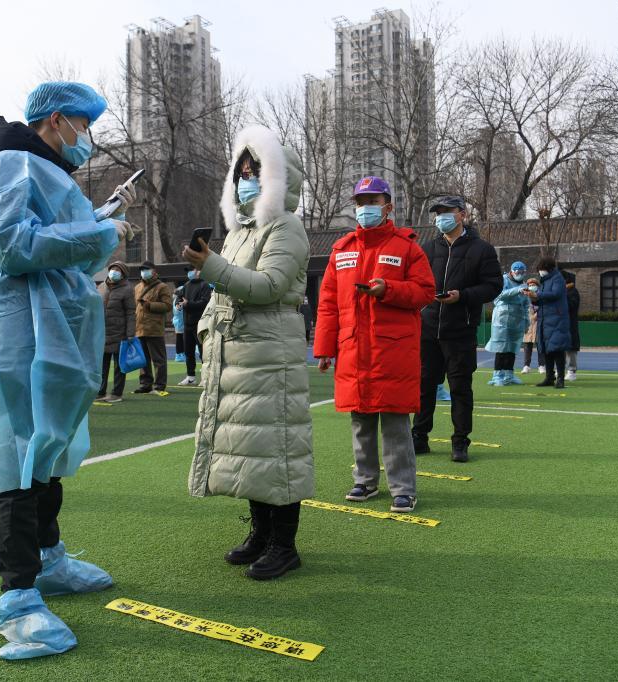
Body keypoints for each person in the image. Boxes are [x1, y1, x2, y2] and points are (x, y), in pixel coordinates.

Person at [0, 81, 136, 661]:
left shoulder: (47, 171)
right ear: (56, 119)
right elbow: (12, 243)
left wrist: (100, 218)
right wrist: (101, 232)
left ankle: (48, 560)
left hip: (51, 325)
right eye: (85, 125)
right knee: (19, 461)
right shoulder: (10, 163)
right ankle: (18, 600)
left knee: (47, 451)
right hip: (18, 330)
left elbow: (53, 235)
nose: (88, 138)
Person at [184, 125, 313, 580]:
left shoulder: (287, 226)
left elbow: (269, 286)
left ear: (278, 177)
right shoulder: (240, 231)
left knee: (278, 448)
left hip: (270, 351)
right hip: (240, 351)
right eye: (240, 173)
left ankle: (284, 545)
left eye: (255, 172)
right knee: (251, 448)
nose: (245, 181)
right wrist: (206, 330)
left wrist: (211, 266)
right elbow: (223, 290)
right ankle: (260, 534)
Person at [315, 176, 436, 512]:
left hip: (393, 351)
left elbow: (425, 291)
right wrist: (325, 348)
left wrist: (389, 290)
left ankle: (403, 488)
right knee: (361, 420)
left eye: (373, 201)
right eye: (360, 202)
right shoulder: (341, 250)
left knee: (396, 422)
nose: (365, 208)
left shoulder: (407, 247)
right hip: (354, 350)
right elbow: (328, 303)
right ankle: (365, 480)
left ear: (388, 206)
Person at [412, 196, 502, 462]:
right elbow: (417, 283)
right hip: (428, 329)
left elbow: (493, 286)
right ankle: (419, 436)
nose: (441, 217)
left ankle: (460, 442)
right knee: (424, 385)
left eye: (446, 211)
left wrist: (462, 296)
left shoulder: (482, 249)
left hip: (461, 330)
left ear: (462, 214)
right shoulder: (427, 248)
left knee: (460, 388)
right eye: (438, 213)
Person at [524, 256, 571, 389]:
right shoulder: (545, 280)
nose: (540, 272)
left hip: (557, 318)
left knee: (557, 349)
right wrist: (533, 298)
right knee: (546, 349)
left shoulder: (557, 278)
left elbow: (555, 294)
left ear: (548, 268)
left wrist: (537, 295)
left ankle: (560, 378)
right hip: (545, 319)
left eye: (541, 269)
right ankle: (549, 377)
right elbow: (542, 300)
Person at [485, 261, 530, 386]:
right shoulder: (503, 280)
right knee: (501, 347)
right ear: (512, 271)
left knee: (513, 347)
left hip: (517, 319)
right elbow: (499, 295)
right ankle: (497, 375)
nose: (520, 274)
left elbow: (526, 304)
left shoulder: (523, 284)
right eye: (518, 272)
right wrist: (517, 290)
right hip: (502, 318)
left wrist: (527, 322)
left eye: (522, 272)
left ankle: (509, 374)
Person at [97, 261, 135, 402]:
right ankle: (100, 392)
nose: (114, 272)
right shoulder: (102, 287)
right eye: (112, 269)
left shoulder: (127, 289)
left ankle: (117, 393)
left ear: (123, 274)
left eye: (117, 270)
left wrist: (130, 333)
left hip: (120, 333)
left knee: (119, 366)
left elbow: (131, 313)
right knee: (102, 365)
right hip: (103, 333)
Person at [133, 261, 172, 394]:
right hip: (140, 328)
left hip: (154, 328)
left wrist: (150, 305)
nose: (144, 272)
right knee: (143, 359)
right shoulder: (137, 287)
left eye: (147, 269)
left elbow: (168, 306)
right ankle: (145, 384)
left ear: (154, 271)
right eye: (142, 269)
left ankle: (159, 385)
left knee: (158, 359)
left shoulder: (162, 287)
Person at [178, 266, 211, 385]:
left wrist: (188, 304)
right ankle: (190, 377)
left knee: (203, 351)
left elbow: (205, 303)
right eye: (188, 271)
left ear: (199, 271)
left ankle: (205, 377)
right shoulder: (186, 285)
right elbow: (179, 298)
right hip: (187, 323)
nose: (189, 272)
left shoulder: (204, 285)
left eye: (192, 270)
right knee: (188, 352)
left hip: (200, 324)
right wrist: (178, 304)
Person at [564, 271, 581, 380]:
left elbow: (571, 306)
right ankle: (561, 369)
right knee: (560, 348)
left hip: (570, 324)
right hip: (560, 324)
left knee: (571, 348)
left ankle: (571, 370)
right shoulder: (561, 291)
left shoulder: (572, 291)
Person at [521, 290, 539, 374]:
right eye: (530, 284)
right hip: (528, 326)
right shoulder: (525, 299)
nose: (531, 285)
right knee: (527, 346)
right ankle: (526, 366)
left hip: (538, 325)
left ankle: (541, 365)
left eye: (533, 284)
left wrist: (537, 315)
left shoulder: (540, 297)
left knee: (540, 346)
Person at [172, 283, 186, 362]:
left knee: (181, 338)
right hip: (180, 321)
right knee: (180, 338)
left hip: (179, 321)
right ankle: (179, 354)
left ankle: (181, 353)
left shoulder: (177, 299)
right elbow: (179, 309)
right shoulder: (178, 300)